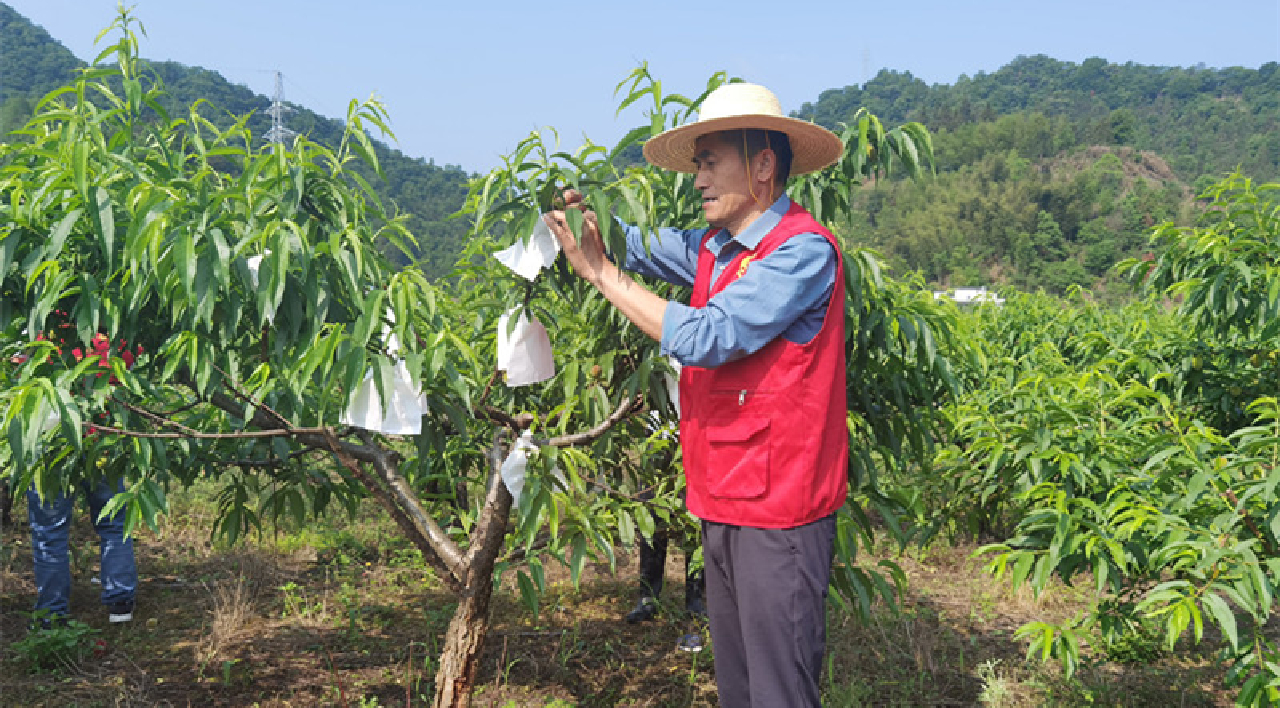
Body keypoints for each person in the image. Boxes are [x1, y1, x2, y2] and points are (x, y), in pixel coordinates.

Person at [545, 82, 848, 707]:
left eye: (711, 162)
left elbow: (711, 336)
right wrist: (583, 214)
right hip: (725, 496)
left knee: (780, 690)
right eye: (697, 164)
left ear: (763, 165)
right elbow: (635, 241)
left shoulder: (801, 253)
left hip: (780, 513)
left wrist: (601, 274)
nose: (698, 178)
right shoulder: (712, 248)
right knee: (739, 683)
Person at [28, 477, 138, 625]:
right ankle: (120, 601)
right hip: (100, 455)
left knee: (49, 535)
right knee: (113, 524)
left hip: (48, 456)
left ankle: (52, 613)